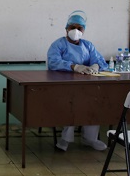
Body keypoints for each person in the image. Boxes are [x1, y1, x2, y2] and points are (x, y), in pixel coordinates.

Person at [47, 10, 109, 152]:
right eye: (72, 27)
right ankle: (65, 139)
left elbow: (99, 61)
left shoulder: (88, 45)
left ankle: (90, 139)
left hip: (86, 85)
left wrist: (96, 65)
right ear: (66, 28)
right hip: (62, 84)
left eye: (79, 28)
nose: (76, 31)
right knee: (72, 105)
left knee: (94, 103)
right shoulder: (58, 44)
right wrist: (74, 66)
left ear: (84, 30)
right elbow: (54, 62)